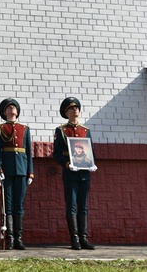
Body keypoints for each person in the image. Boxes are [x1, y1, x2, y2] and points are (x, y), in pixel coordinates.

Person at [53, 97, 97, 250]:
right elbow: (57, 153)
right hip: (70, 173)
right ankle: (75, 239)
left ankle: (84, 238)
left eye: (77, 108)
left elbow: (90, 151)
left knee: (83, 206)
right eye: (71, 108)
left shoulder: (85, 130)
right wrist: (66, 164)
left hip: (84, 173)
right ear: (66, 112)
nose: (75, 110)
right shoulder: (62, 130)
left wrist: (92, 164)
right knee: (71, 206)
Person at [0, 98, 34, 250]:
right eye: (9, 107)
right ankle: (9, 238)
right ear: (4, 112)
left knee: (19, 205)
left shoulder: (25, 129)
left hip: (22, 170)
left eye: (14, 107)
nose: (11, 109)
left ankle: (18, 238)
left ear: (17, 111)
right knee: (8, 206)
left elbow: (29, 152)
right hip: (7, 170)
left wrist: (30, 172)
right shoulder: (0, 128)